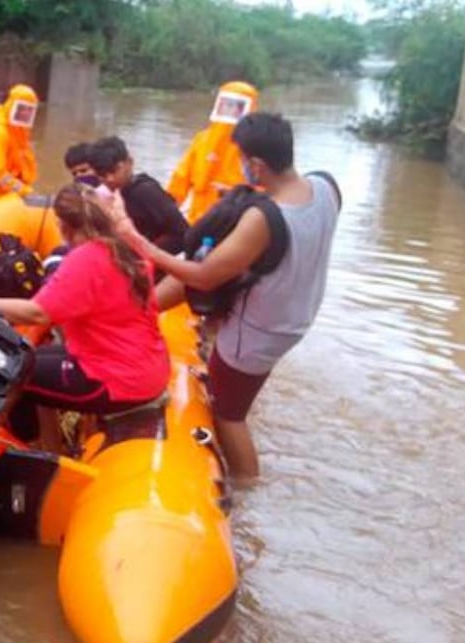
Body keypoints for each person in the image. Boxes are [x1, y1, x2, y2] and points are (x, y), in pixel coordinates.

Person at [121, 112, 340, 480]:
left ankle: (246, 487)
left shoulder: (263, 219)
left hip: (260, 329)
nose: (239, 168)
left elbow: (205, 277)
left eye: (241, 160)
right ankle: (141, 315)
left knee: (229, 413)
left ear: (256, 164)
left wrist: (146, 248)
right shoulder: (326, 186)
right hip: (298, 312)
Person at [0, 184, 170, 441]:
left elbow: (37, 313)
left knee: (7, 372)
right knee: (30, 357)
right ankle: (51, 446)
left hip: (114, 378)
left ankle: (26, 450)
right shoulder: (125, 248)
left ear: (63, 226)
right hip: (143, 366)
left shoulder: (86, 259)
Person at [167, 81, 259, 223]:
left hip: (235, 226)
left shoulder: (255, 147)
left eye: (237, 108)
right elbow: (179, 182)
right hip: (198, 223)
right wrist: (164, 215)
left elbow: (267, 193)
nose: (231, 111)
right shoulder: (202, 140)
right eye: (227, 105)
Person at [90, 136, 189, 256]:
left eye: (114, 171)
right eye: (103, 175)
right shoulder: (117, 195)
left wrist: (144, 253)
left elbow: (182, 233)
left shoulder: (146, 192)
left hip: (153, 260)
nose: (110, 179)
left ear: (129, 162)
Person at [0, 84, 39, 204]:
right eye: (22, 108)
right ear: (12, 106)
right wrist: (23, 191)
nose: (26, 113)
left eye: (29, 109)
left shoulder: (20, 132)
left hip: (13, 198)